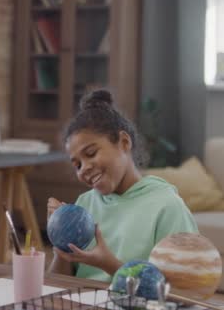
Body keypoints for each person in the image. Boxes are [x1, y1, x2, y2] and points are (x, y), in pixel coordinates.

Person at [47, 89, 197, 282]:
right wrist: (60, 244)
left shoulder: (167, 206)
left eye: (91, 153)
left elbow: (181, 289)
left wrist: (109, 265)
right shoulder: (84, 204)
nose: (84, 168)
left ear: (124, 142)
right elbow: (55, 285)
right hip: (81, 307)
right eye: (77, 164)